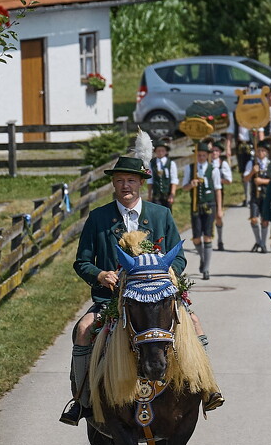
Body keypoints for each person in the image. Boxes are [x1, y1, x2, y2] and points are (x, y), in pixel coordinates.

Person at [61, 148, 222, 424]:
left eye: (131, 181)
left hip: (158, 298)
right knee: (84, 329)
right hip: (112, 300)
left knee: (194, 323)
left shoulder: (160, 215)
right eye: (121, 180)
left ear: (141, 183)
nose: (126, 186)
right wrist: (101, 275)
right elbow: (82, 262)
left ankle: (206, 387)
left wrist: (167, 272)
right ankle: (83, 398)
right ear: (113, 183)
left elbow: (179, 256)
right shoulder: (98, 218)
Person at [181, 141, 217, 280]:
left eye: (203, 155)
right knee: (196, 237)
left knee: (207, 236)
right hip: (196, 205)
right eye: (199, 155)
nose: (201, 157)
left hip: (209, 205)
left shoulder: (213, 169)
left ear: (207, 156)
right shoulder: (190, 168)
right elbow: (184, 187)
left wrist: (219, 208)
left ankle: (206, 269)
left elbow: (217, 189)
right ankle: (203, 258)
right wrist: (191, 184)